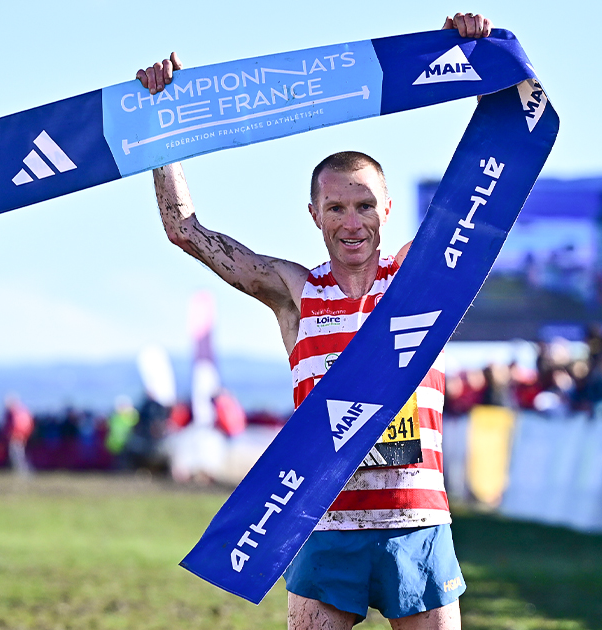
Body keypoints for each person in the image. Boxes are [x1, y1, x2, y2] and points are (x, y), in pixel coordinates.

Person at [137, 13, 492, 629]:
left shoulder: (420, 278)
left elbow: (485, 188)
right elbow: (184, 230)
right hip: (325, 523)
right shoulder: (296, 293)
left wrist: (481, 63)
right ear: (314, 214)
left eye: (363, 206)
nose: (351, 223)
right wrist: (160, 121)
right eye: (336, 208)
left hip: (420, 522)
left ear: (385, 208)